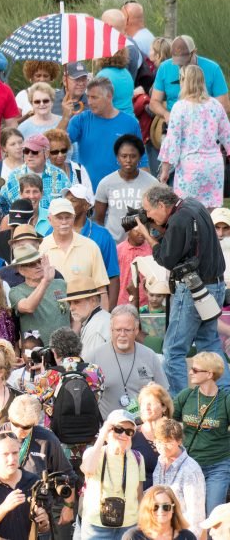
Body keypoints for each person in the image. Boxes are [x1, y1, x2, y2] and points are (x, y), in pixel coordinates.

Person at [139, 184, 228, 394]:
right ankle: (225, 399)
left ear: (161, 205)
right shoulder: (194, 205)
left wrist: (147, 233)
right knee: (210, 344)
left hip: (193, 289)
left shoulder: (179, 220)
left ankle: (180, 405)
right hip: (215, 285)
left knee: (173, 350)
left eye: (149, 211)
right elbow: (188, 243)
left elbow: (167, 259)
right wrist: (161, 229)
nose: (147, 215)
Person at [158, 63, 230, 209]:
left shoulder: (180, 107)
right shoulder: (216, 105)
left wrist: (165, 170)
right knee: (212, 211)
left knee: (188, 210)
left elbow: (172, 141)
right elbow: (227, 135)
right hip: (213, 166)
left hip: (189, 166)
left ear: (184, 82)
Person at [173, 351, 230, 515]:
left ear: (210, 374)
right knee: (189, 514)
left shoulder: (226, 400)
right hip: (190, 463)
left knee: (213, 514)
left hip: (218, 466)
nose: (190, 372)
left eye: (196, 370)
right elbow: (169, 419)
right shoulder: (187, 395)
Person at [84, 306, 167, 416]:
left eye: (127, 330)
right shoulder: (94, 358)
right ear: (111, 330)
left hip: (142, 426)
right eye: (118, 330)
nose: (122, 334)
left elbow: (164, 395)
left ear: (136, 330)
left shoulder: (150, 356)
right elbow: (85, 397)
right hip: (109, 428)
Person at [0, 431, 50, 540]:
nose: (11, 459)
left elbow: (44, 528)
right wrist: (4, 507)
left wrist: (44, 522)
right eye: (5, 454)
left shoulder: (33, 482)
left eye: (15, 453)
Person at [80, 410, 146, 540]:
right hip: (96, 527)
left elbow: (139, 494)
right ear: (108, 430)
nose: (123, 434)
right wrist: (102, 436)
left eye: (129, 432)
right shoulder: (93, 453)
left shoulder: (137, 458)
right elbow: (88, 469)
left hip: (128, 527)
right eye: (118, 429)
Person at [94, 134, 160, 242]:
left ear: (139, 157)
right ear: (117, 157)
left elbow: (157, 218)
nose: (128, 160)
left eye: (133, 156)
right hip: (113, 244)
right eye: (124, 156)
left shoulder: (152, 183)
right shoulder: (105, 183)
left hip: (141, 245)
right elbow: (99, 220)